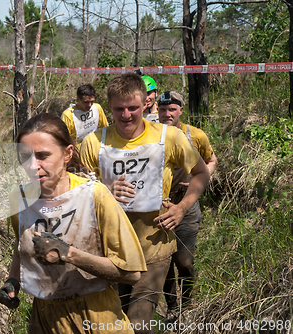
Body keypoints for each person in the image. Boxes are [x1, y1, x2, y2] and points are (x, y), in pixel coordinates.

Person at [79, 74, 210, 334]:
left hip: (154, 246)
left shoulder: (169, 137)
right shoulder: (94, 142)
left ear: (145, 104)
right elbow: (78, 192)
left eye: (133, 108)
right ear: (109, 107)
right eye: (119, 109)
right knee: (113, 324)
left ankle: (178, 307)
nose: (126, 115)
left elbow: (201, 172)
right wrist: (104, 191)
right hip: (110, 252)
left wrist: (182, 208)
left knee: (139, 323)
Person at [0, 113, 147, 334]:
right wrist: (13, 281)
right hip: (45, 320)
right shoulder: (18, 199)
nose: (32, 166)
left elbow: (131, 273)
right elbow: (22, 247)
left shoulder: (94, 196)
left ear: (67, 153)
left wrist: (69, 253)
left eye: (42, 156)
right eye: (25, 156)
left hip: (97, 317)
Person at [157, 91, 217, 318]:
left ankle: (188, 302)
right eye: (162, 110)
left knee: (184, 260)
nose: (166, 114)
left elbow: (211, 160)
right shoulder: (151, 133)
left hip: (187, 206)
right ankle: (172, 307)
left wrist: (197, 179)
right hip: (159, 207)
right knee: (164, 262)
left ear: (181, 110)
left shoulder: (195, 135)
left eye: (172, 109)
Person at [61, 84, 109, 150]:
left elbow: (106, 128)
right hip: (78, 149)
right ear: (78, 99)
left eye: (92, 101)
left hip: (95, 145)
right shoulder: (68, 115)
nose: (89, 105)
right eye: (86, 102)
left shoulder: (97, 108)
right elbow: (64, 139)